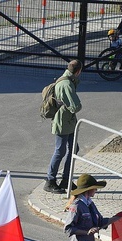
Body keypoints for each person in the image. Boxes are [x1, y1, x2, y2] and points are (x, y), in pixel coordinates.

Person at [44, 59, 83, 194]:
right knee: (60, 150)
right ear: (78, 71)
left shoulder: (67, 80)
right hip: (63, 121)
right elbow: (76, 106)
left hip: (68, 121)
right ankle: (50, 180)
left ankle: (66, 179)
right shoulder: (66, 84)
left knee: (73, 148)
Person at [64, 174, 120, 241]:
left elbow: (100, 222)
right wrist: (87, 232)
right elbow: (68, 229)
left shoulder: (90, 204)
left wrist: (117, 218)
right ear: (88, 190)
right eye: (95, 188)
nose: (96, 190)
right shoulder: (76, 206)